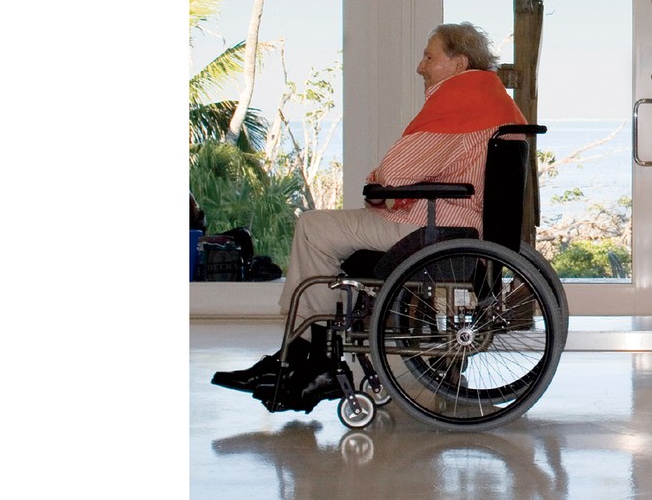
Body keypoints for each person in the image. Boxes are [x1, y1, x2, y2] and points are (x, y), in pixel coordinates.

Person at [211, 22, 525, 405]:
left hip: (433, 225)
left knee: (313, 228)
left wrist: (378, 181)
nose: (420, 67)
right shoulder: (493, 103)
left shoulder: (462, 103)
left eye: (429, 56)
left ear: (459, 63)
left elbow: (394, 173)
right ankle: (300, 356)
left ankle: (310, 357)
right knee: (328, 229)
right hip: (458, 222)